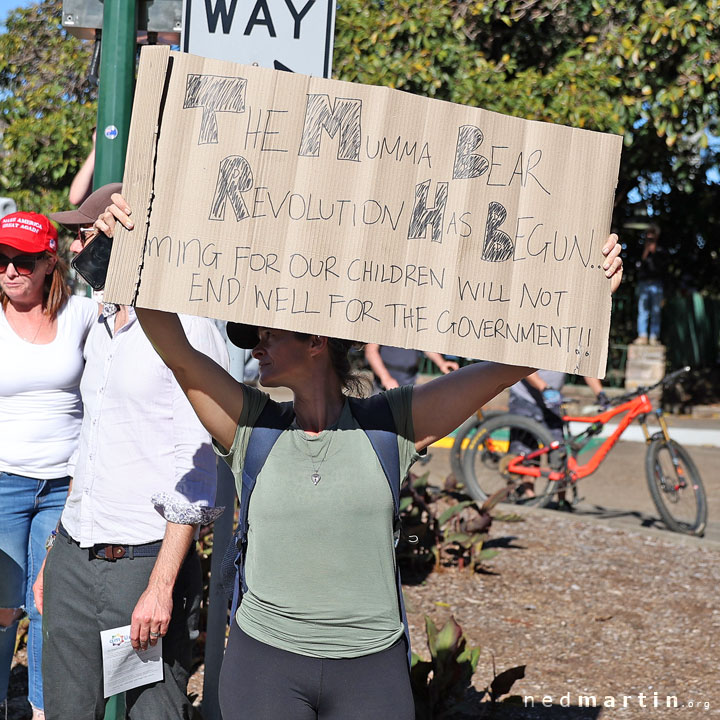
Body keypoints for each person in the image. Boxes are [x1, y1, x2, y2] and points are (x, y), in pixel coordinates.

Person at [96, 192, 623, 720]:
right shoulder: (250, 425)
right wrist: (131, 253)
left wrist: (585, 289)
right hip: (264, 667)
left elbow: (507, 366)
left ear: (315, 339)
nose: (254, 346)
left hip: (372, 670)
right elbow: (179, 355)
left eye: (266, 333)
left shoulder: (390, 424)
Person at [33, 184, 230, 720]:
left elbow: (201, 464)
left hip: (141, 566)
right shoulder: (99, 324)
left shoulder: (187, 328)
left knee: (152, 713)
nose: (73, 249)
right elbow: (88, 447)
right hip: (77, 555)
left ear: (124, 236)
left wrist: (162, 585)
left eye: (84, 234)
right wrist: (57, 554)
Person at [0, 212, 96, 720]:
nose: (11, 270)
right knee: (1, 610)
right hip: (3, 482)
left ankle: (41, 709)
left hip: (64, 484)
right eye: (1, 259)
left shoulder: (81, 315)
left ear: (48, 262)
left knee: (46, 604)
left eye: (22, 260)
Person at [508, 370, 608, 500]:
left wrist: (600, 393)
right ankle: (528, 497)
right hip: (525, 398)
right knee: (525, 453)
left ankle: (562, 500)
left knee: (561, 452)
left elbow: (585, 365)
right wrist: (543, 386)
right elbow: (523, 364)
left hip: (552, 400)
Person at [364, 344, 459, 394]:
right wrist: (386, 378)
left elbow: (425, 346)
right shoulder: (386, 320)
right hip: (382, 388)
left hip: (408, 387)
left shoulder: (414, 320)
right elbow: (371, 351)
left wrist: (441, 363)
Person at [634, 223, 664, 345]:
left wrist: (655, 252)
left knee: (656, 311)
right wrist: (646, 252)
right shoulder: (641, 248)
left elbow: (663, 267)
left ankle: (654, 337)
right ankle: (642, 335)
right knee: (643, 310)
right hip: (644, 283)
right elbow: (639, 265)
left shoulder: (661, 250)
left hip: (656, 283)